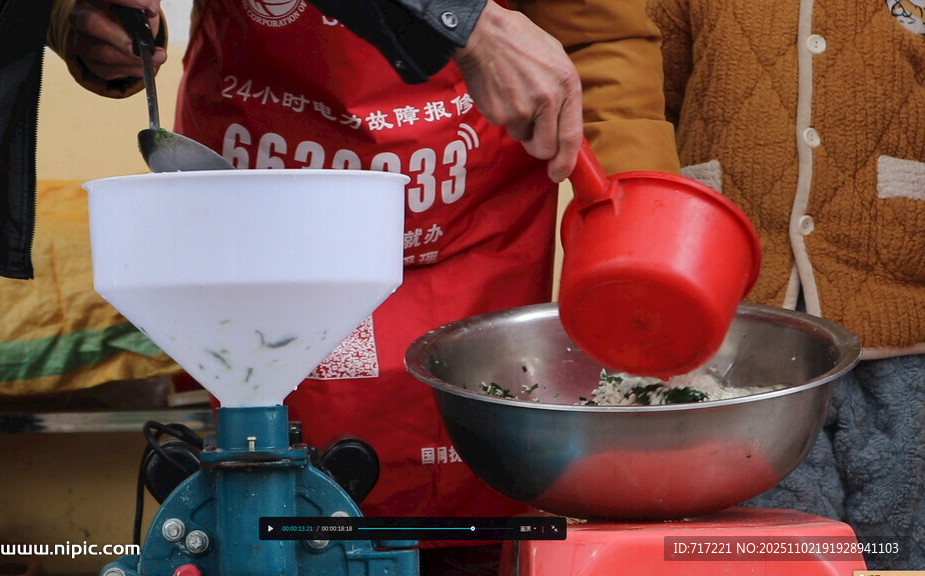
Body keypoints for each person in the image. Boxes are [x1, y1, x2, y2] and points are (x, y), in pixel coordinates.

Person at [49, 0, 680, 572]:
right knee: (280, 503)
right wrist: (74, 13)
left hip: (468, 208)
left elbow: (601, 38)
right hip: (272, 195)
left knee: (479, 480)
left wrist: (639, 223)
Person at [647, 0, 925, 569]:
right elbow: (651, 98)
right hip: (735, 307)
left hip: (900, 301)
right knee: (765, 541)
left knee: (901, 532)